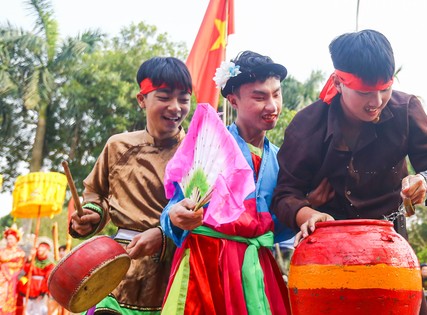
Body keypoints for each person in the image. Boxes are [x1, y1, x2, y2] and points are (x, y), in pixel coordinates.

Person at [272, 29, 427, 315]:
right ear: (338, 82)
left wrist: (424, 180)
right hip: (326, 265)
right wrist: (308, 214)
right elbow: (284, 194)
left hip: (392, 260)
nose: (376, 101)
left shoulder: (406, 110)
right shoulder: (307, 124)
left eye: (385, 88)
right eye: (364, 92)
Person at [161, 51, 292, 314]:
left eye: (276, 94)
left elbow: (277, 227)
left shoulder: (282, 159)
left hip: (256, 267)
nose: (272, 106)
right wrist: (175, 217)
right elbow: (172, 210)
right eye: (259, 97)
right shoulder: (205, 146)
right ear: (233, 99)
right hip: (206, 264)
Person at [69, 56, 192, 315]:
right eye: (164, 96)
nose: (176, 107)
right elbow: (95, 193)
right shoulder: (118, 146)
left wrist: (163, 235)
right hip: (120, 272)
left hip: (178, 274)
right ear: (141, 99)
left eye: (184, 98)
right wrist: (92, 213)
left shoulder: (198, 151)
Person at [18, 237, 55, 315]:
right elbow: (26, 270)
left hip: (39, 289)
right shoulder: (32, 260)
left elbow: (47, 279)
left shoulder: (50, 264)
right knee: (26, 310)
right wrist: (30, 258)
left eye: (42, 248)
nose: (39, 250)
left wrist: (43, 292)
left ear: (47, 250)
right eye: (39, 248)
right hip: (28, 287)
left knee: (38, 310)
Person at [0, 225, 25, 315]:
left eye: (11, 239)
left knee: (11, 299)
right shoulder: (1, 251)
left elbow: (20, 266)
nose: (9, 241)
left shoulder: (20, 253)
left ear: (16, 239)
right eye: (8, 238)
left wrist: (6, 267)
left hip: (13, 279)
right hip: (1, 278)